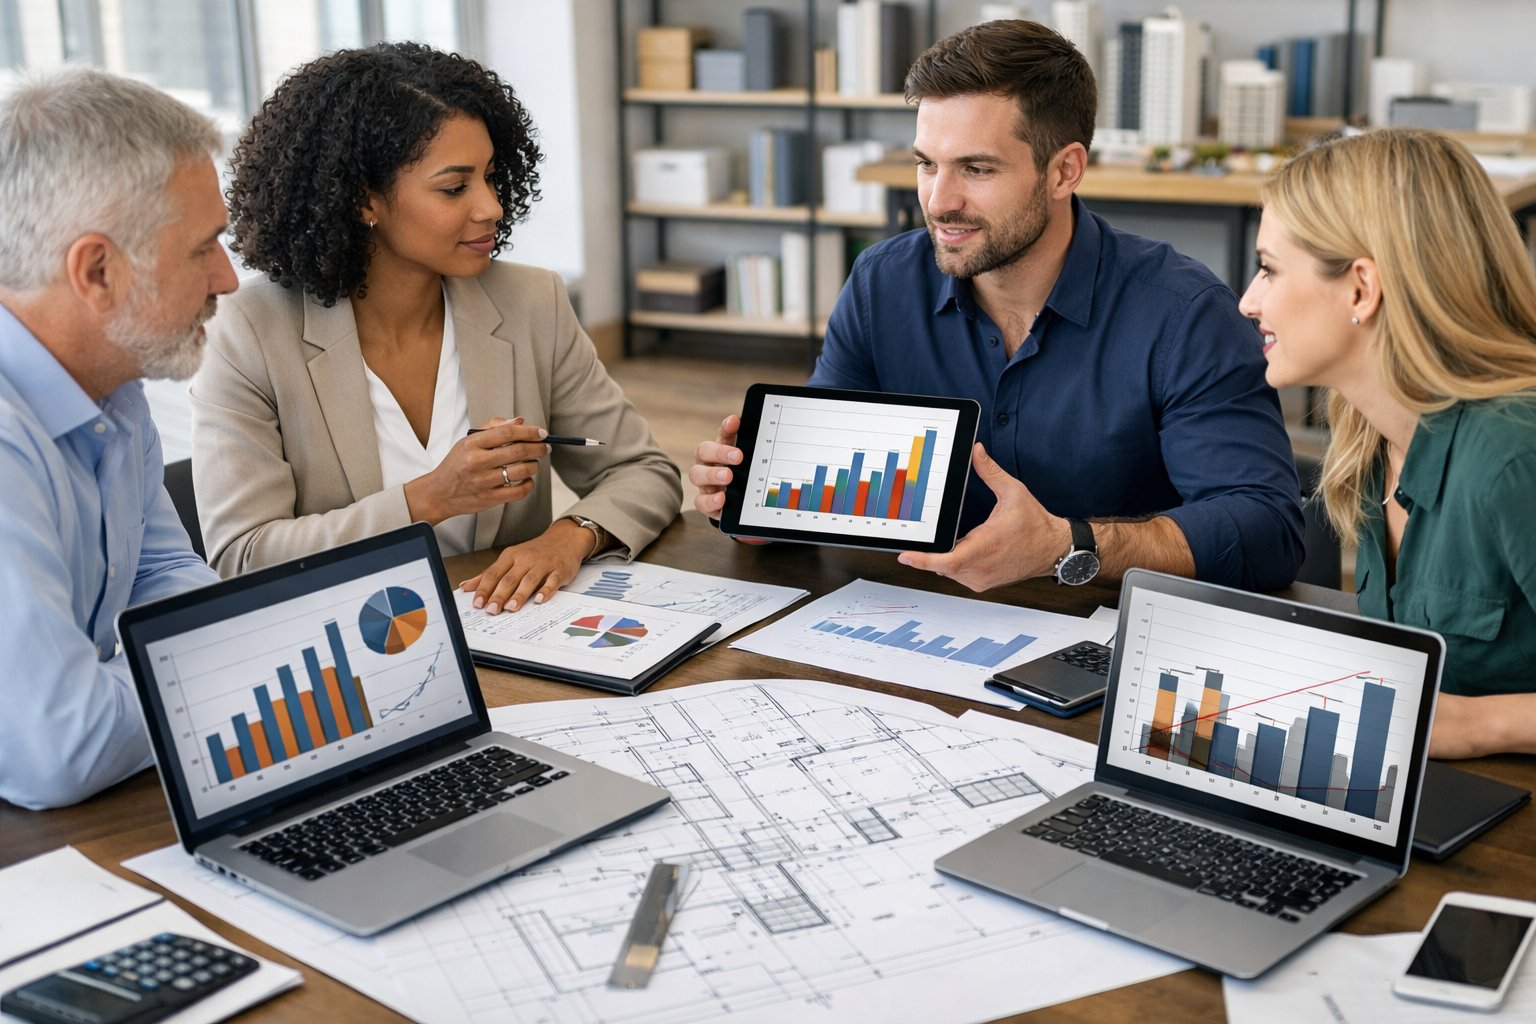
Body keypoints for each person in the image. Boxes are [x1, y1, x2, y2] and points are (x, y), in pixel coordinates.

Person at [690, 20, 1303, 593]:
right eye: (927, 165)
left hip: (1103, 639)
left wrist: (1068, 545)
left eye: (976, 169)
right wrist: (755, 503)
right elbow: (827, 487)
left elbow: (1267, 528)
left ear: (1065, 171)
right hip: (918, 620)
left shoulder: (1186, 314)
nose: (938, 201)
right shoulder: (883, 282)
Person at [192, 42, 680, 615]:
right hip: (351, 640)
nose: (492, 206)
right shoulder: (249, 332)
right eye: (455, 187)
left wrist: (569, 536)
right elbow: (244, 557)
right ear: (362, 198)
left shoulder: (530, 301)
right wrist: (428, 499)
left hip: (508, 635)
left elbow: (642, 470)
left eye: (492, 177)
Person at [1238, 127, 1536, 760]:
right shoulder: (1371, 436)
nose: (1248, 301)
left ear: (1360, 289)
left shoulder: (1513, 456)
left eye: (1268, 269)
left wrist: (1479, 725)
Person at [0, 68, 235, 809]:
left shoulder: (114, 382)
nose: (227, 279)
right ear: (97, 270)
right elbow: (64, 746)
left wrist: (207, 657)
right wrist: (228, 669)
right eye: (204, 249)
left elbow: (162, 574)